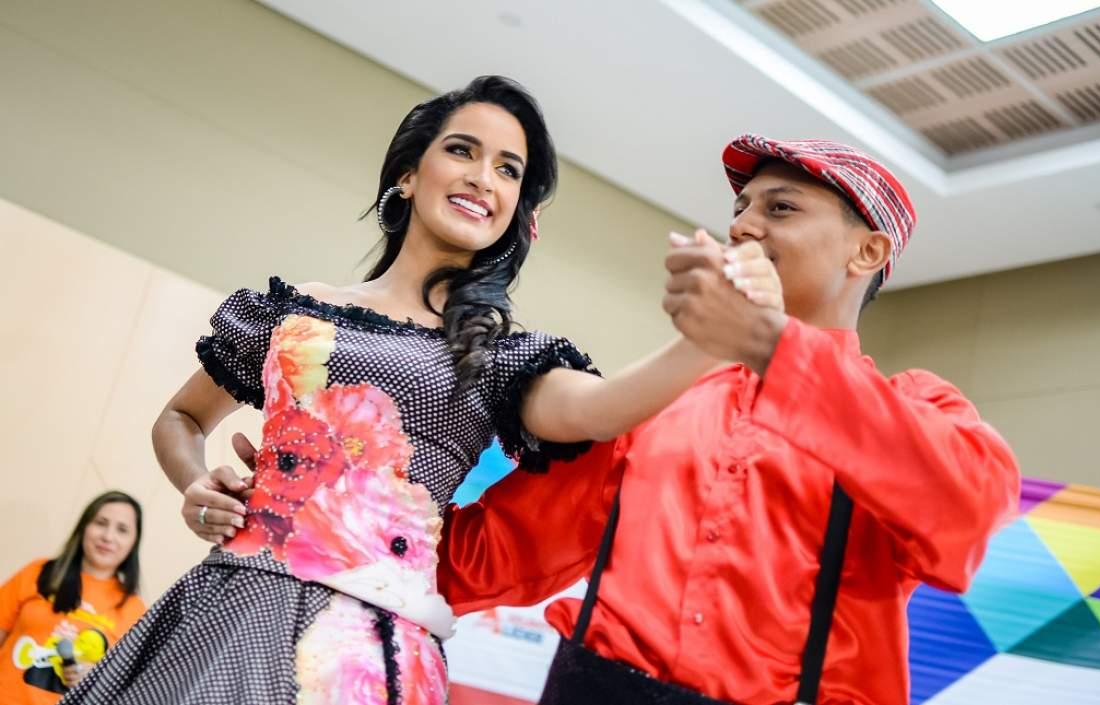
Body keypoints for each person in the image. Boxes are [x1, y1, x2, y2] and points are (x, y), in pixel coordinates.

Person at [61, 76, 780, 705]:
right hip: (230, 605)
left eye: (508, 169)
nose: (483, 178)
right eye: (463, 150)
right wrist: (194, 484)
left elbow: (600, 407)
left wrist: (711, 338)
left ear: (513, 211)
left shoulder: (496, 355)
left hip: (368, 648)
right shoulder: (296, 307)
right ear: (407, 173)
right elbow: (181, 417)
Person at [438, 136, 1023, 704]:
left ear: (867, 252)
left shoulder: (913, 407)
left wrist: (779, 347)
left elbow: (968, 509)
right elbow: (490, 553)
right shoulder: (662, 401)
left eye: (781, 208)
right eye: (740, 209)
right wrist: (364, 533)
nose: (742, 226)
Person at [0, 491, 144, 705]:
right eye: (101, 523)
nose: (108, 536)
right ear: (84, 527)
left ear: (133, 543)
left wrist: (97, 680)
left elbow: (129, 687)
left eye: (122, 530)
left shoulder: (136, 611)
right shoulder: (37, 572)